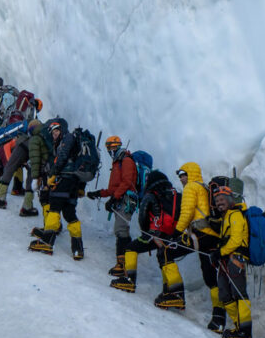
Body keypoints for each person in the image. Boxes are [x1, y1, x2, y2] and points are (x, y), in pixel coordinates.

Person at [109, 170, 185, 310]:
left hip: (154, 234)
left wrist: (145, 232)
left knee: (131, 248)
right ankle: (174, 292)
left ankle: (129, 280)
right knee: (164, 257)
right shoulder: (177, 195)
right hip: (171, 235)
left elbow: (143, 216)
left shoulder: (151, 194)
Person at [173, 162, 225, 331]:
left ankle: (173, 294)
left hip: (201, 235)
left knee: (165, 253)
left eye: (183, 174)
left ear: (190, 173)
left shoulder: (190, 188)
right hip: (213, 236)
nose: (181, 178)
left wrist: (177, 231)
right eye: (179, 175)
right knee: (212, 276)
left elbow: (187, 212)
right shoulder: (204, 188)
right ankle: (219, 318)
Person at [29, 123, 85, 260]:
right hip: (74, 181)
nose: (54, 136)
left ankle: (47, 242)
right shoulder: (77, 144)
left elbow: (62, 158)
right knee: (69, 213)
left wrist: (53, 174)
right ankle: (78, 249)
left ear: (61, 131)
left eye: (55, 132)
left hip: (65, 178)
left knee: (54, 207)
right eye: (52, 133)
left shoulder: (67, 139)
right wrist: (81, 187)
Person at [85, 135, 137, 276]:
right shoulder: (117, 162)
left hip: (126, 200)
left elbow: (126, 183)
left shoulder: (125, 161)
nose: (110, 151)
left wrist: (114, 198)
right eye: (109, 148)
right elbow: (113, 188)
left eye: (112, 148)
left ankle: (124, 265)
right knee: (120, 230)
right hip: (121, 199)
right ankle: (124, 263)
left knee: (121, 230)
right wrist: (99, 194)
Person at [213, 185, 252, 338]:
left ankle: (245, 332)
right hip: (227, 259)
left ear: (230, 200)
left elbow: (236, 240)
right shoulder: (227, 216)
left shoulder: (235, 215)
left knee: (239, 293)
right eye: (216, 201)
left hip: (236, 258)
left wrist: (220, 252)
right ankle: (238, 328)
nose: (219, 203)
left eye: (222, 199)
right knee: (224, 292)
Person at [0, 119, 41, 208]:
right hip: (30, 153)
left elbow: (9, 162)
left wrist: (8, 167)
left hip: (16, 154)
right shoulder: (37, 140)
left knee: (11, 168)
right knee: (28, 173)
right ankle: (26, 205)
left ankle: (0, 196)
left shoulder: (11, 142)